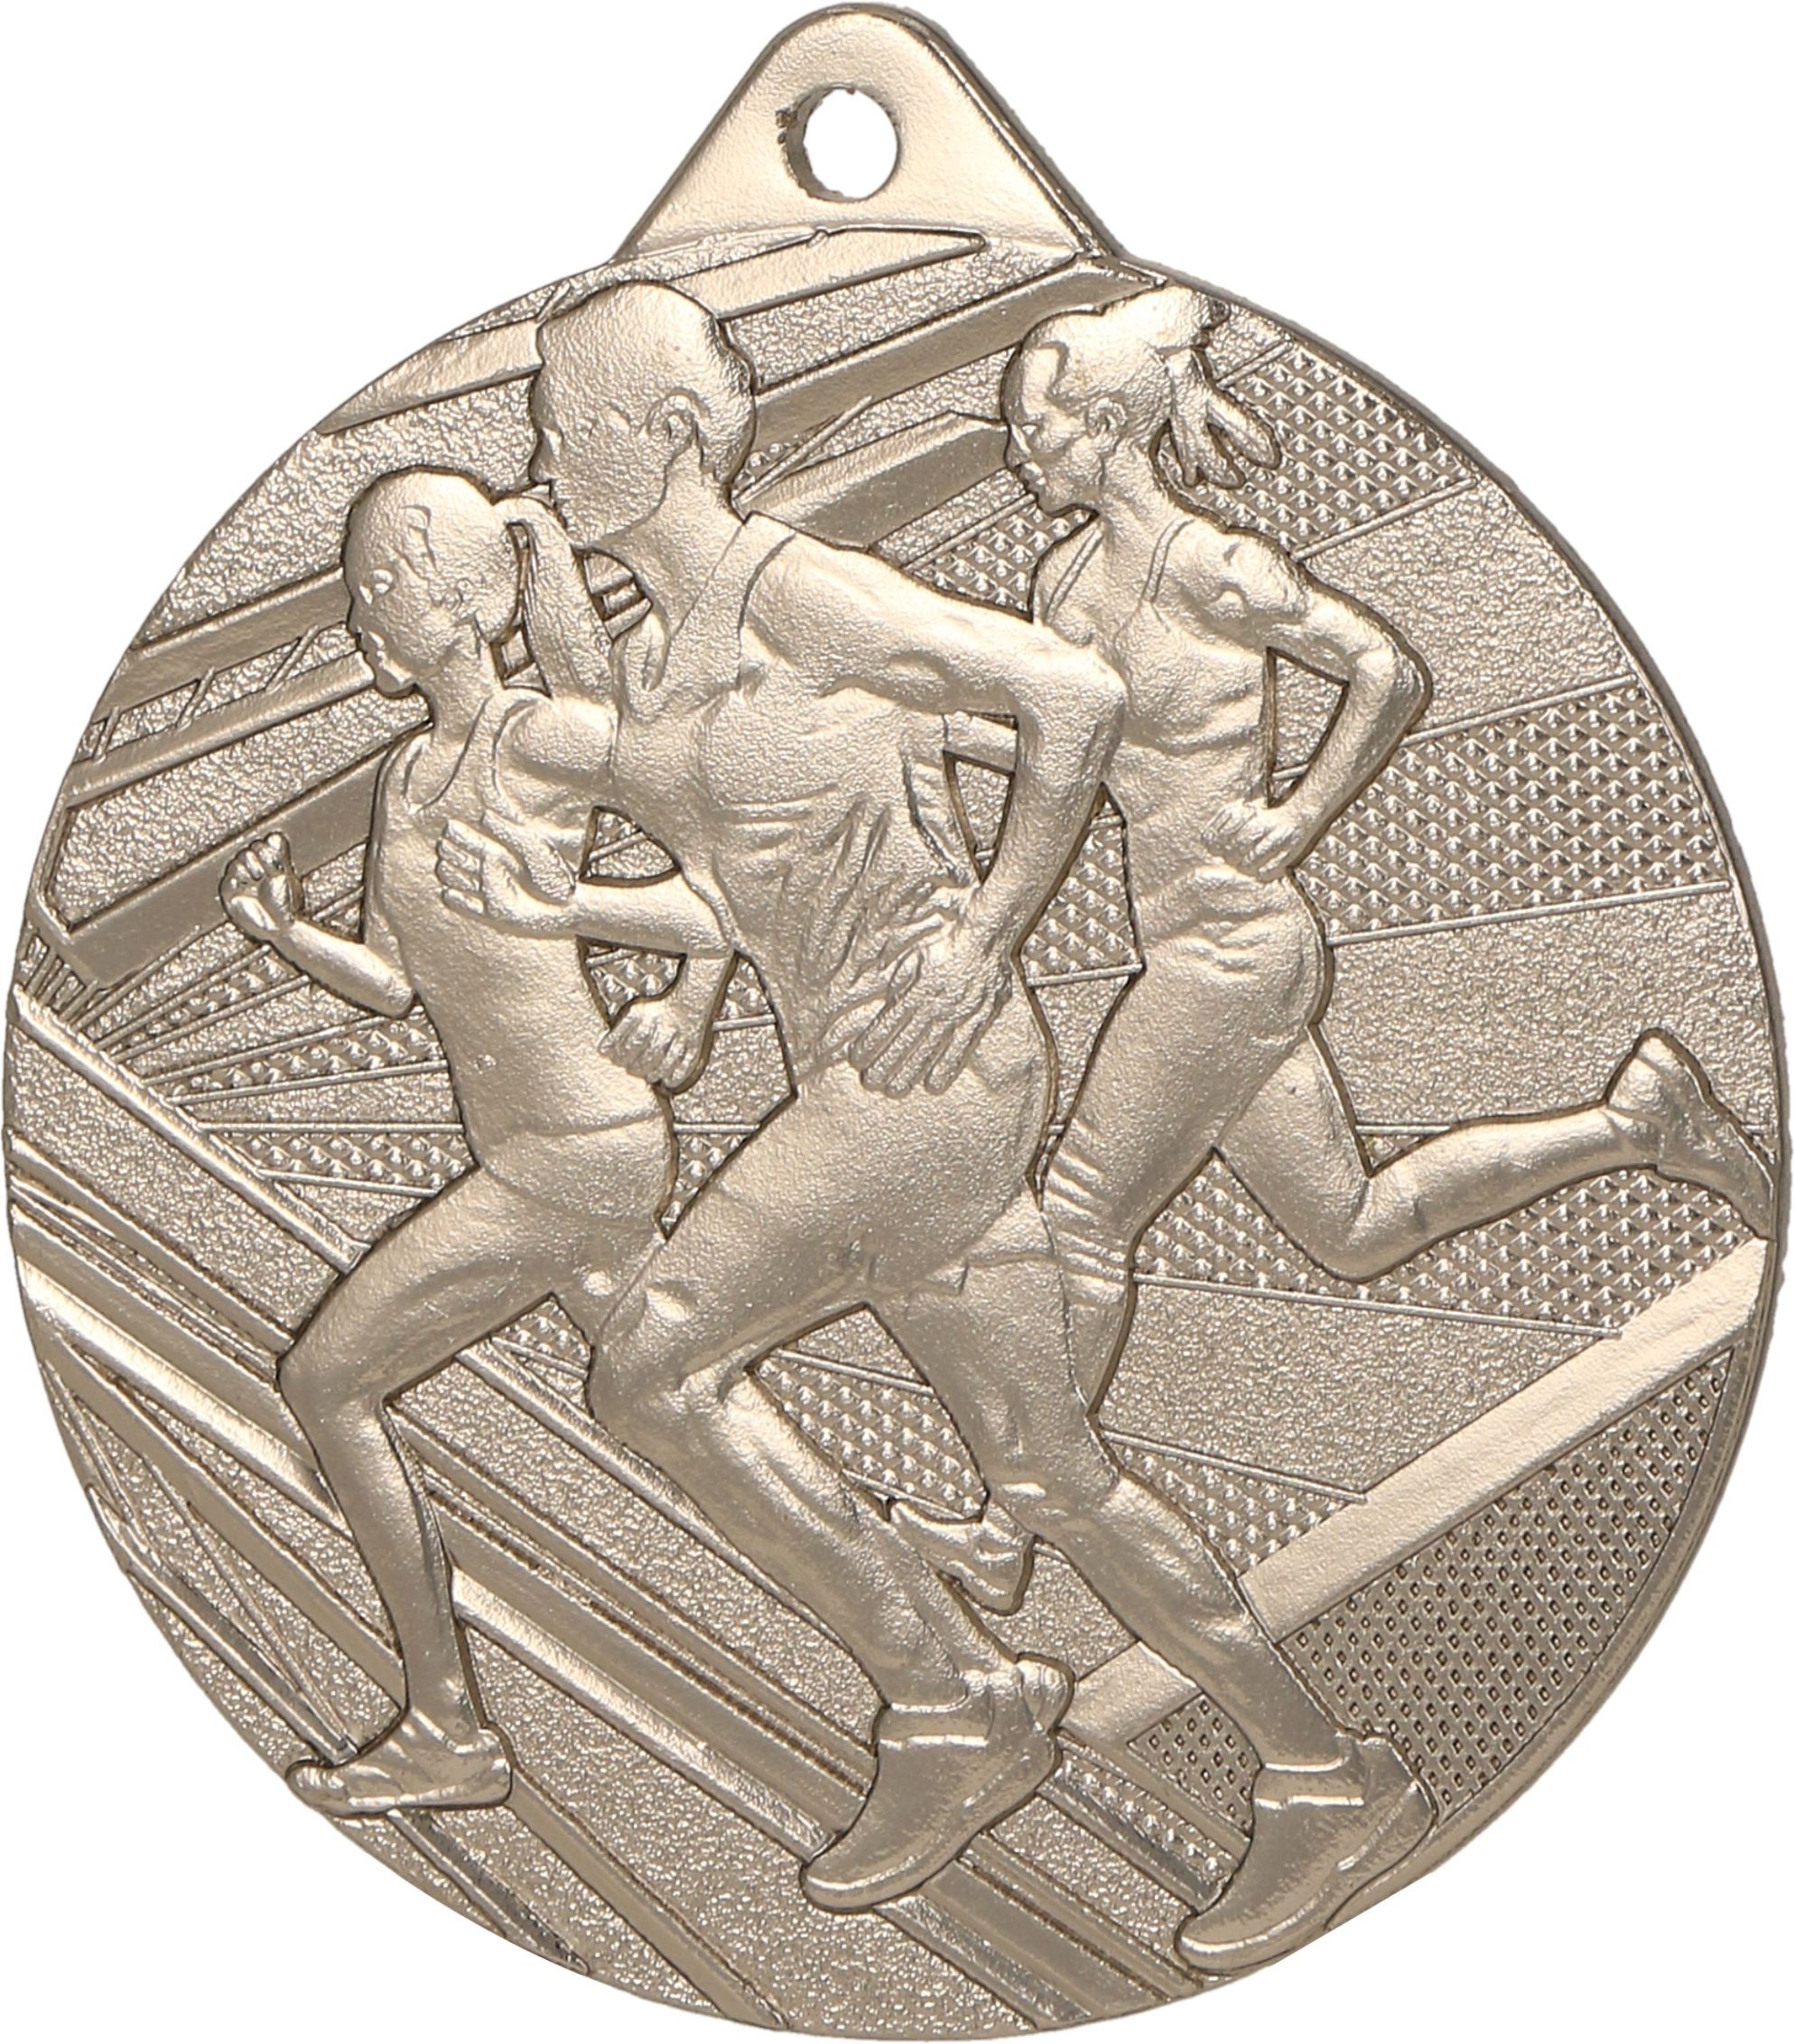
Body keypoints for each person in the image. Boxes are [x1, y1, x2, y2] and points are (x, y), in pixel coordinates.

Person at [438, 278, 1429, 1947]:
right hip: (874, 1084)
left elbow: (1073, 698)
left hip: (923, 1080)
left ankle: (956, 1703)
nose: (537, 453)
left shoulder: (803, 592)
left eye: (562, 425)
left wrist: (983, 935)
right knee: (1049, 1475)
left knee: (653, 1366)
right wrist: (572, 877)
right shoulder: (674, 649)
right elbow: (706, 826)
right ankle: (1328, 1777)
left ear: (664, 433)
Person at [896, 282, 1775, 1969]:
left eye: (1037, 420)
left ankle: (1013, 1535)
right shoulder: (1065, 583)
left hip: (1230, 952)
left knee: (1078, 1215)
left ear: (1111, 424)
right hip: (1190, 950)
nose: (1020, 449)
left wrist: (1298, 814)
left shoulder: (1212, 566)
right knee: (1354, 1223)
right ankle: (1638, 1122)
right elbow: (1055, 747)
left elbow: (1385, 663)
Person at [221, 468, 730, 1816]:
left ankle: (447, 1724)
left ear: (450, 603)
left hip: (572, 1152)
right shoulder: (407, 775)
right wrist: (288, 932)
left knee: (328, 1378)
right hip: (546, 1153)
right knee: (697, 1416)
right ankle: (947, 1655)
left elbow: (721, 870)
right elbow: (398, 981)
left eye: (375, 588)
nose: (357, 619)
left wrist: (680, 996)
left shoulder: (545, 736)